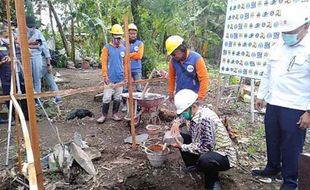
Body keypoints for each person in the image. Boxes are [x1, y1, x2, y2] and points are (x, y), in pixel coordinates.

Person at [252, 6, 310, 190]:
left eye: (291, 32)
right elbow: (268, 72)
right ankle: (272, 167)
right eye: (284, 32)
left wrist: (309, 112)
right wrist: (261, 95)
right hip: (274, 103)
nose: (287, 35)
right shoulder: (279, 45)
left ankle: (290, 181)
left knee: (291, 146)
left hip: (296, 106)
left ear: (306, 27)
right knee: (273, 138)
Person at [170, 89, 237, 190]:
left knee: (205, 159)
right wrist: (177, 122)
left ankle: (213, 181)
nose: (183, 114)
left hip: (223, 155)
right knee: (183, 138)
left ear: (194, 106)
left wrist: (183, 147)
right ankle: (194, 166)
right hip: (208, 148)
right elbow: (183, 117)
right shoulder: (196, 112)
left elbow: (207, 147)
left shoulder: (205, 119)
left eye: (184, 112)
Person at [96, 24, 128, 123]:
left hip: (120, 77)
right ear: (112, 37)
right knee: (106, 97)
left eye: (120, 38)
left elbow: (126, 64)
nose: (118, 40)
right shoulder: (107, 48)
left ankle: (115, 114)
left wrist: (126, 77)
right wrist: (105, 76)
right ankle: (104, 115)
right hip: (109, 78)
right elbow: (104, 63)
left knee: (118, 97)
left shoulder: (123, 49)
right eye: (116, 38)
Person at [166, 35, 209, 103]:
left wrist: (200, 97)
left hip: (194, 95)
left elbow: (204, 78)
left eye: (174, 53)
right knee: (181, 113)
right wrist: (171, 92)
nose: (173, 56)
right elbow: (171, 77)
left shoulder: (196, 58)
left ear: (182, 48)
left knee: (192, 113)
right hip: (179, 94)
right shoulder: (173, 61)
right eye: (171, 54)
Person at [121, 23, 144, 112]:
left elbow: (139, 55)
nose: (133, 35)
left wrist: (128, 55)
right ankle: (125, 105)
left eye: (134, 33)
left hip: (137, 69)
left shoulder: (140, 43)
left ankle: (139, 105)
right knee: (125, 88)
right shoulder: (123, 43)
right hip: (126, 69)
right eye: (131, 33)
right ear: (127, 34)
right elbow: (122, 55)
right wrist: (132, 55)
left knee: (138, 87)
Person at [24, 16, 47, 94]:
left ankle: (38, 98)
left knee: (37, 78)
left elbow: (42, 45)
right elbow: (18, 45)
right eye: (29, 26)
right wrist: (32, 45)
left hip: (37, 57)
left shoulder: (38, 32)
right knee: (27, 78)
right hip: (25, 57)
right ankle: (29, 98)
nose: (32, 28)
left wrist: (29, 45)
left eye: (33, 26)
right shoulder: (19, 32)